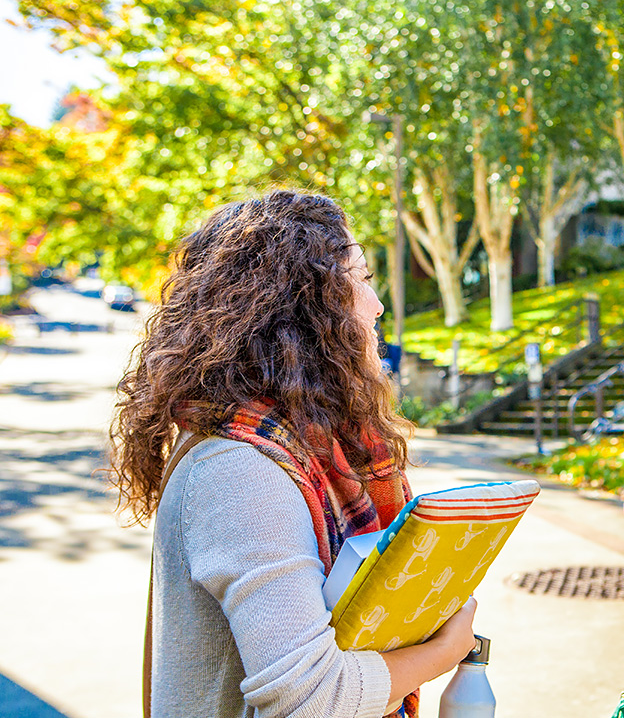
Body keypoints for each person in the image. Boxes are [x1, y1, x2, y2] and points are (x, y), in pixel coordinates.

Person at [109, 190, 476, 718]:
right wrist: (443, 649)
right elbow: (310, 697)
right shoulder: (238, 468)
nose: (376, 306)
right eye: (362, 278)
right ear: (305, 305)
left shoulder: (301, 444)